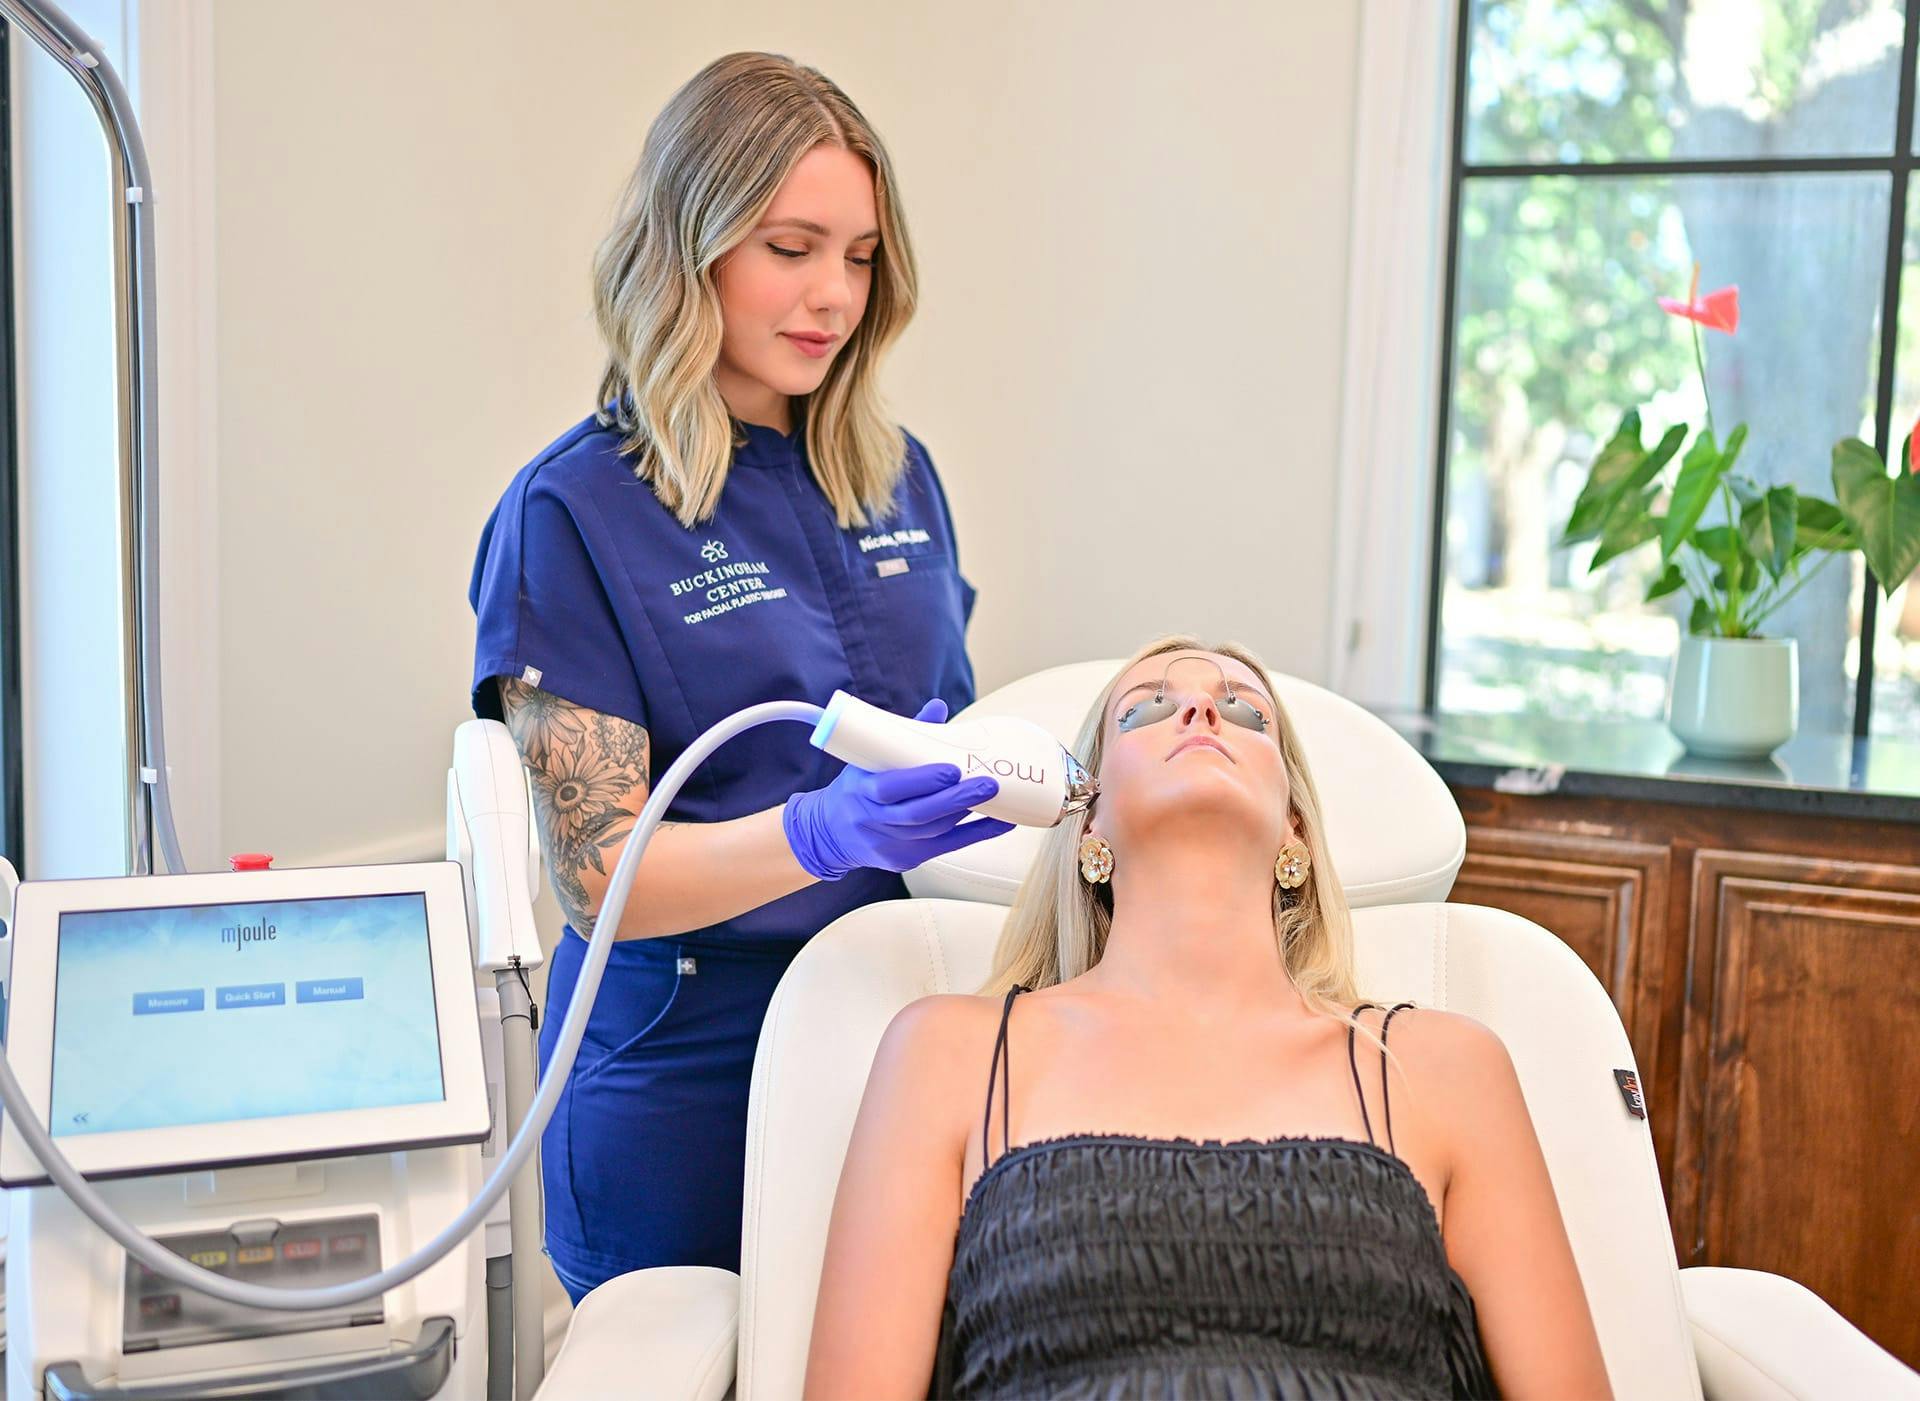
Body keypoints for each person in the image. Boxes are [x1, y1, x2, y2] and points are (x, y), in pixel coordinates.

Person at [467, 51, 1010, 1303]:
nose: (834, 295)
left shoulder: (895, 474)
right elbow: (604, 877)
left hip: (902, 1035)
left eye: (862, 256)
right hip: (690, 1068)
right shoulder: (575, 511)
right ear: (689, 250)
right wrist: (819, 832)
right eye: (791, 247)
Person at [805, 638, 1614, 1399]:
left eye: (1247, 711)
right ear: (1087, 822)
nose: (1201, 714)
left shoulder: (1441, 1067)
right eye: (1147, 710)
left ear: (1295, 825)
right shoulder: (950, 1053)